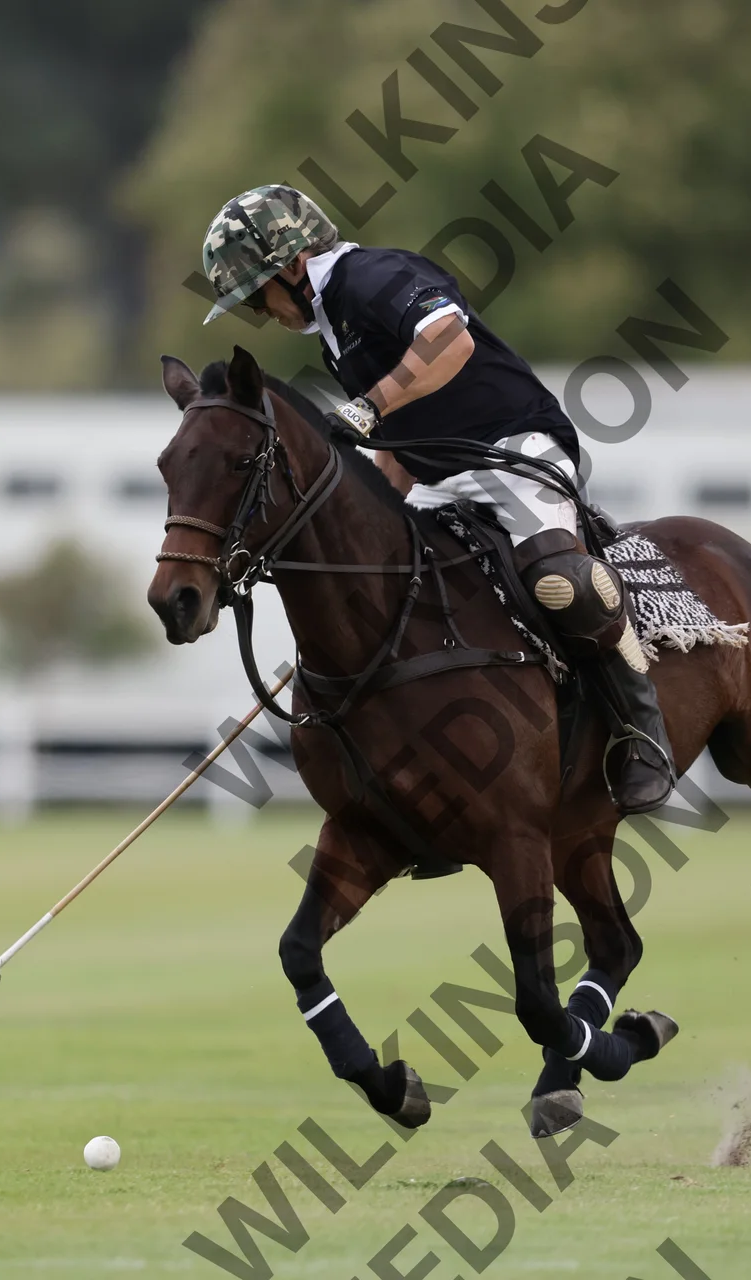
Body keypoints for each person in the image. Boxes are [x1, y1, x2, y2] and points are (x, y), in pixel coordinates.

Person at [199, 184, 674, 815]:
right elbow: (397, 439)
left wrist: (369, 406)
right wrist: (376, 520)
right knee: (387, 595)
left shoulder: (374, 276)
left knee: (563, 582)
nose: (260, 313)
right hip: (436, 475)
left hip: (513, 450)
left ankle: (642, 731)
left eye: (256, 295)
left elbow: (451, 342)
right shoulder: (334, 326)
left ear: (292, 265)